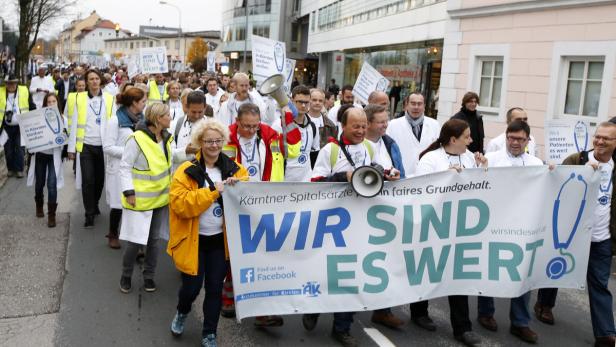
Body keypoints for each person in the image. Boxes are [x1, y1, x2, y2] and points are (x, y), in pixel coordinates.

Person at [308, 106, 398, 347]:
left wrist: (388, 173)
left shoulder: (370, 147)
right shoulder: (331, 150)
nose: (360, 130)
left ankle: (342, 327)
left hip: (360, 223)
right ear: (343, 126)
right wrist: (342, 177)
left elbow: (381, 169)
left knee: (352, 275)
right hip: (333, 223)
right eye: (355, 126)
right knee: (326, 270)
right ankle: (313, 307)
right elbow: (314, 182)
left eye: (363, 126)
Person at [534, 122, 616, 347]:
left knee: (599, 284)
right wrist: (553, 170)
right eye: (597, 137)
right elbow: (556, 183)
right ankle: (544, 305)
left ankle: (606, 334)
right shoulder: (577, 160)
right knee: (557, 270)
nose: (600, 141)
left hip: (601, 238)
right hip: (570, 234)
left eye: (606, 139)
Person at [167, 120, 248, 347]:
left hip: (219, 243)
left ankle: (209, 332)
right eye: (208, 141)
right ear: (200, 142)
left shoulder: (236, 169)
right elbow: (181, 205)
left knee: (214, 288)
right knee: (191, 289)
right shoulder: (186, 171)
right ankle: (182, 312)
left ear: (224, 141)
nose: (213, 145)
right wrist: (213, 191)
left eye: (217, 140)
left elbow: (248, 199)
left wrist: (238, 187)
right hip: (193, 241)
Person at [220, 102, 300, 325]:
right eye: (246, 126)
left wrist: (289, 119)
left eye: (255, 126)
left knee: (262, 255)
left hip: (265, 203)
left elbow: (293, 149)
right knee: (235, 253)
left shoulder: (269, 134)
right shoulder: (224, 136)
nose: (251, 130)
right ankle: (227, 296)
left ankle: (261, 311)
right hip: (234, 203)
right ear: (237, 122)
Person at [416, 118, 487, 347]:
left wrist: (484, 169)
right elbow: (420, 189)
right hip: (435, 225)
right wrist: (445, 176)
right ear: (453, 139)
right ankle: (419, 311)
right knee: (428, 269)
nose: (471, 140)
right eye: (467, 136)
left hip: (461, 226)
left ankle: (462, 328)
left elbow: (481, 188)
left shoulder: (470, 158)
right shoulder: (430, 159)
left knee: (458, 276)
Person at [478, 120, 543, 343]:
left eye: (520, 139)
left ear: (528, 141)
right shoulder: (491, 159)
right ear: (506, 137)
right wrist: (481, 169)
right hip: (493, 223)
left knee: (522, 272)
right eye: (511, 138)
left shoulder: (536, 163)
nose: (515, 142)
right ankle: (485, 313)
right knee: (489, 268)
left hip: (522, 226)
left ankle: (520, 322)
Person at [118, 103, 172, 294]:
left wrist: (190, 150)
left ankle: (149, 276)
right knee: (135, 241)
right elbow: (124, 166)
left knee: (154, 241)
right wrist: (129, 192)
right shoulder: (136, 139)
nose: (170, 117)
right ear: (158, 118)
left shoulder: (166, 138)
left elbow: (168, 163)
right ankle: (126, 275)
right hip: (140, 200)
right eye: (167, 115)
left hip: (160, 198)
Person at [67, 69, 115, 228]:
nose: (94, 81)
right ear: (86, 82)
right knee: (88, 180)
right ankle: (89, 214)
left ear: (100, 81)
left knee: (100, 180)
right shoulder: (79, 98)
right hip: (85, 145)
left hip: (103, 146)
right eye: (91, 79)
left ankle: (94, 204)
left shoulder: (109, 98)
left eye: (96, 79)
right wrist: (71, 148)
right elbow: (74, 123)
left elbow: (114, 122)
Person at [103, 87, 146, 249]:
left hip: (138, 169)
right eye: (143, 101)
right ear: (134, 103)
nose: (145, 104)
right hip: (119, 169)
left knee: (137, 205)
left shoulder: (143, 120)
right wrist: (130, 153)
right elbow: (107, 147)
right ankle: (113, 234)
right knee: (118, 204)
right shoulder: (116, 120)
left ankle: (137, 243)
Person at [27, 93, 65, 227]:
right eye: (48, 102)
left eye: (53, 101)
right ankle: (39, 204)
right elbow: (31, 135)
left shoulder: (63, 119)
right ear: (45, 104)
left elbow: (64, 141)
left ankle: (51, 215)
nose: (51, 104)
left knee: (52, 185)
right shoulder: (38, 119)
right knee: (40, 183)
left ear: (57, 103)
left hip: (54, 157)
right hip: (41, 156)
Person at [386, 92, 440, 176]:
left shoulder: (435, 125)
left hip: (427, 176)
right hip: (402, 177)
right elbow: (386, 151)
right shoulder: (393, 125)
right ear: (406, 105)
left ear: (424, 106)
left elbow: (439, 150)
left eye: (419, 104)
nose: (416, 107)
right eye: (413, 103)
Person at [1, 74, 35, 178]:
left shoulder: (24, 90)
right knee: (8, 149)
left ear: (16, 83)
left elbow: (31, 105)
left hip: (21, 126)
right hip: (6, 127)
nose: (11, 85)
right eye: (9, 83)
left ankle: (19, 169)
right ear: (6, 84)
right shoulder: (1, 92)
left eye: (13, 83)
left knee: (20, 148)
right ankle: (10, 169)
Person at [284, 85, 319, 182]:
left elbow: (314, 155)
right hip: (284, 181)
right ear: (291, 100)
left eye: (306, 102)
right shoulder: (280, 125)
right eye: (300, 102)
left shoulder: (313, 126)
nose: (303, 106)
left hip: (305, 182)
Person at [171, 91, 208, 173]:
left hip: (204, 175)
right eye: (193, 112)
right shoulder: (175, 125)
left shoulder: (212, 126)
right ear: (187, 107)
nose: (197, 116)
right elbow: (168, 153)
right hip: (180, 175)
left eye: (200, 112)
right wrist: (185, 151)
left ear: (205, 108)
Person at [307, 88, 338, 160]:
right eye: (314, 100)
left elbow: (333, 147)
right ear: (309, 101)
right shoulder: (301, 120)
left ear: (323, 103)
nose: (317, 103)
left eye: (320, 101)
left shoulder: (330, 125)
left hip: (322, 159)